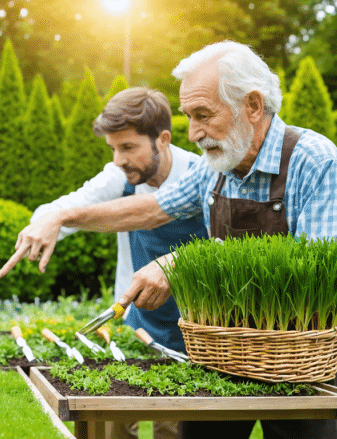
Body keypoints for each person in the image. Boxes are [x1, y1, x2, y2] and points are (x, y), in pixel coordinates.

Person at [0, 41, 337, 439]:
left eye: (203, 115)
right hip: (223, 350)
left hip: (297, 360)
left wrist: (178, 262)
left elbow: (317, 269)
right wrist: (60, 215)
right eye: (188, 117)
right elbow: (151, 209)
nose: (194, 133)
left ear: (252, 106)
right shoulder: (218, 164)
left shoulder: (314, 159)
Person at [29, 87, 207, 439]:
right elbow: (64, 207)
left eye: (128, 147)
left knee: (172, 428)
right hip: (134, 319)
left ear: (163, 139)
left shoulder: (201, 174)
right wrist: (44, 223)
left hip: (193, 327)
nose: (119, 159)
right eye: (113, 148)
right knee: (115, 422)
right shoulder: (119, 177)